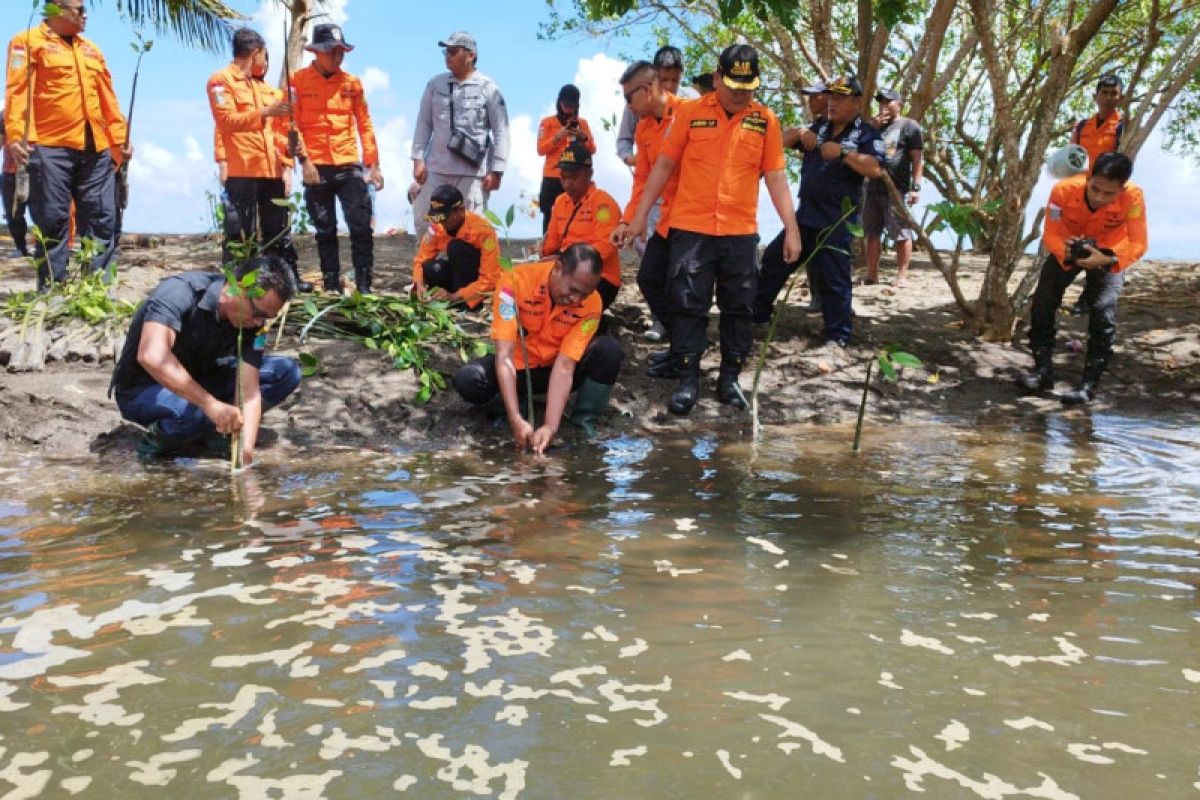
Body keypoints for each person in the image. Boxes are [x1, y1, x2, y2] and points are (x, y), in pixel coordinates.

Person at [621, 44, 801, 415]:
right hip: (692, 228)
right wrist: (639, 216)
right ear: (716, 77)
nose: (739, 92)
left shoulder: (764, 120)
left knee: (739, 307)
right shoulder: (689, 113)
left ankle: (729, 379)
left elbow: (777, 177)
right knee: (688, 304)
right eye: (732, 83)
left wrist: (791, 228)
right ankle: (688, 380)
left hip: (739, 230)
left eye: (747, 86)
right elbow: (663, 166)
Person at [110, 255, 301, 461]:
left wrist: (244, 454)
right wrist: (209, 405)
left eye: (267, 317)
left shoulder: (253, 323)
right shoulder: (179, 293)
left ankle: (218, 429)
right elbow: (152, 356)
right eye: (256, 313)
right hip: (144, 389)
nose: (259, 322)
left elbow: (249, 392)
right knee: (192, 414)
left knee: (286, 371)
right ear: (237, 288)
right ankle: (156, 442)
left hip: (202, 379)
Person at [4, 0, 130, 289]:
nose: (85, 16)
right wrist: (16, 135)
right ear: (55, 10)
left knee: (102, 219)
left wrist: (119, 139)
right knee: (53, 220)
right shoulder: (26, 42)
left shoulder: (92, 50)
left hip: (95, 147)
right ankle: (53, 291)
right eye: (79, 9)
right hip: (49, 147)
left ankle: (95, 289)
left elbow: (109, 99)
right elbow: (17, 91)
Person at [452, 243, 624, 451]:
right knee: (469, 379)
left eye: (584, 295)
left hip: (557, 367)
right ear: (558, 267)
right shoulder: (514, 282)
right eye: (572, 290)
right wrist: (515, 418)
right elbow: (504, 356)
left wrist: (551, 426)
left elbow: (566, 364)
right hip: (520, 368)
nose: (576, 300)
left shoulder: (593, 303)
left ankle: (584, 421)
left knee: (609, 351)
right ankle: (511, 409)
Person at [754, 75, 884, 351]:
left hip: (836, 219)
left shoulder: (866, 134)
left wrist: (843, 154)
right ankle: (759, 313)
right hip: (806, 216)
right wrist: (800, 134)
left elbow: (875, 169)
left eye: (840, 98)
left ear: (857, 102)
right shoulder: (821, 126)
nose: (832, 103)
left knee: (834, 278)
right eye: (831, 97)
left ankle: (838, 335)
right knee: (775, 260)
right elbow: (782, 141)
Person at [1018, 152, 1147, 405]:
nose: (1099, 197)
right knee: (1043, 300)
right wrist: (1066, 252)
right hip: (1068, 249)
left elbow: (1139, 242)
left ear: (1121, 189)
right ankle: (1042, 369)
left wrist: (1108, 259)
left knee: (1103, 309)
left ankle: (1089, 384)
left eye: (1108, 194)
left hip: (1110, 253)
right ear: (1088, 177)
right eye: (1095, 188)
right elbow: (1051, 233)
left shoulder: (1133, 197)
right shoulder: (1063, 190)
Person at [208, 28, 312, 292]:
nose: (265, 61)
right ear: (256, 53)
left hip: (272, 172)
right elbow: (227, 121)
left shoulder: (270, 92)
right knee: (240, 232)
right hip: (242, 171)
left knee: (279, 233)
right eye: (264, 55)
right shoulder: (221, 81)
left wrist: (294, 150)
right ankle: (236, 284)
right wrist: (265, 112)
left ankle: (288, 282)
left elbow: (284, 129)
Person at [291, 24, 383, 295]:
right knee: (325, 229)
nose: (337, 57)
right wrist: (304, 162)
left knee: (361, 224)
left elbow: (365, 124)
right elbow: (290, 124)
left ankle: (365, 286)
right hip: (315, 166)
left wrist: (373, 164)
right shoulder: (297, 81)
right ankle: (331, 285)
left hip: (347, 164)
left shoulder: (352, 84)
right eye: (332, 52)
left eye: (341, 52)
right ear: (317, 52)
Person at [611, 60, 684, 375]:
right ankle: (680, 346)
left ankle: (686, 355)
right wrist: (628, 221)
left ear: (649, 89)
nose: (627, 105)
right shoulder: (642, 128)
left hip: (696, 219)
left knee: (682, 286)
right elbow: (642, 180)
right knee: (649, 277)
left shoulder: (688, 114)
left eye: (629, 97)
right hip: (666, 216)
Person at [411, 32, 510, 227]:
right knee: (426, 225)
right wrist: (418, 158)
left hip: (472, 174)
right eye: (446, 51)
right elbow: (423, 123)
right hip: (436, 170)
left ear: (471, 55)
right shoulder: (434, 85)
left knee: (471, 230)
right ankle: (428, 259)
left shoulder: (489, 88)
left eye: (454, 51)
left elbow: (501, 131)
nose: (448, 55)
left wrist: (497, 170)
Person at [1069, 73, 1126, 316]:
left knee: (1102, 244)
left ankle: (1089, 297)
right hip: (1082, 191)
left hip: (1108, 193)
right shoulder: (1082, 126)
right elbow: (1073, 156)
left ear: (1120, 97)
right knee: (1078, 239)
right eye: (1105, 93)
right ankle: (1078, 293)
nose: (1109, 98)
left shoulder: (1123, 125)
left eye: (1114, 94)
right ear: (1096, 96)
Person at [541, 143, 622, 309]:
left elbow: (605, 248)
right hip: (563, 270)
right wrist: (542, 257)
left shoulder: (603, 203)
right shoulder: (560, 201)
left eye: (573, 177)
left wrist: (563, 260)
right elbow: (552, 242)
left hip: (598, 276)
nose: (567, 183)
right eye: (563, 177)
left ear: (589, 174)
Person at [863, 88, 923, 286]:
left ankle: (902, 275)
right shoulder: (874, 127)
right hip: (873, 188)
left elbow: (916, 159)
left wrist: (916, 187)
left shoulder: (909, 126)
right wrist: (872, 128)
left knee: (901, 232)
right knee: (872, 232)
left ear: (900, 104)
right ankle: (872, 275)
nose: (884, 105)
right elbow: (860, 151)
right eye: (881, 101)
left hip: (897, 189)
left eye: (889, 101)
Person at [411, 184, 500, 309]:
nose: (441, 222)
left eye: (445, 218)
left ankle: (462, 302)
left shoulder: (484, 231)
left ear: (460, 210)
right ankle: (441, 298)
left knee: (456, 247)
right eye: (438, 218)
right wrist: (419, 284)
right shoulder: (437, 227)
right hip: (455, 274)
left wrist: (454, 296)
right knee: (430, 268)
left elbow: (490, 279)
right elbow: (420, 261)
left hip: (476, 285)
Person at [615, 46, 698, 168]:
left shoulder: (692, 100)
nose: (669, 86)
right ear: (654, 77)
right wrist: (631, 159)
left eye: (675, 80)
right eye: (664, 80)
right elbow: (624, 139)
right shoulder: (635, 105)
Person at [536, 84, 595, 234]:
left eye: (572, 105)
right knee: (550, 215)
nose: (568, 109)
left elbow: (593, 149)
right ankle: (548, 250)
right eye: (565, 105)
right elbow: (541, 149)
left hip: (575, 177)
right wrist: (558, 136)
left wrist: (583, 137)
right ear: (559, 103)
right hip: (553, 177)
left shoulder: (582, 123)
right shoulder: (547, 122)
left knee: (578, 214)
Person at [1, 109, 29, 257]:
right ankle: (21, 247)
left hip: (38, 170)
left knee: (45, 211)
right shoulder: (5, 115)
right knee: (13, 213)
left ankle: (44, 249)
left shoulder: (43, 110)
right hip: (10, 172)